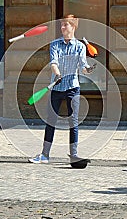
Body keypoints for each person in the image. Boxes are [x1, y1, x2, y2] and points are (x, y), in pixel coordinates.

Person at [29, 15, 96, 164]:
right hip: (57, 87)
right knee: (51, 121)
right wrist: (58, 73)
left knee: (74, 122)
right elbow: (53, 62)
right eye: (62, 25)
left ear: (73, 27)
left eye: (66, 25)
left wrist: (89, 70)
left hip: (73, 88)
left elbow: (83, 67)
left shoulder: (80, 46)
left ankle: (74, 155)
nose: (63, 28)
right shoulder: (55, 44)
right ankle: (44, 155)